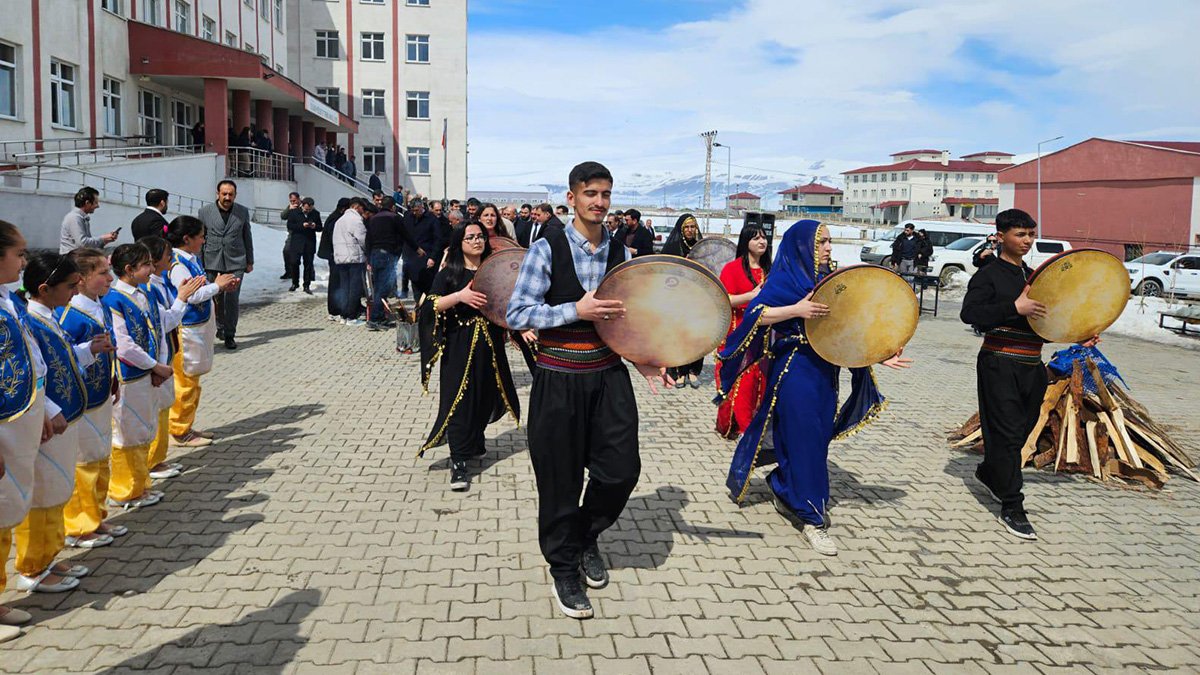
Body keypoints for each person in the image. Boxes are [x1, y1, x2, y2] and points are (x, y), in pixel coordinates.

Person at [506, 161, 672, 620]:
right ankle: (564, 566)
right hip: (558, 379)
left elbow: (630, 318)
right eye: (591, 193)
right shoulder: (546, 248)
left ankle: (582, 537)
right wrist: (574, 309)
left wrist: (644, 361)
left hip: (608, 377)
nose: (599, 202)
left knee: (620, 472)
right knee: (559, 481)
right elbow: (518, 314)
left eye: (605, 194)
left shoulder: (620, 252)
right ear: (572, 197)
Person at [717, 220, 911, 557]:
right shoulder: (786, 278)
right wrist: (796, 310)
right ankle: (812, 518)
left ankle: (783, 486)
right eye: (821, 242)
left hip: (826, 372)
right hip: (794, 371)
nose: (828, 248)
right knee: (806, 437)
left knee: (814, 439)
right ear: (802, 246)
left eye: (830, 242)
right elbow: (755, 316)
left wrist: (878, 355)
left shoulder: (830, 282)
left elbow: (848, 327)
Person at [960, 208, 1098, 541]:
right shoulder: (989, 274)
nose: (1027, 240)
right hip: (999, 361)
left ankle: (991, 474)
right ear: (1001, 236)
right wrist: (1014, 308)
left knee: (1020, 433)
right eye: (1020, 234)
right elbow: (970, 314)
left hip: (1032, 366)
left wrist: (1078, 335)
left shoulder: (1035, 277)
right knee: (1006, 433)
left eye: (1031, 234)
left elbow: (1047, 324)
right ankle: (1012, 505)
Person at [16, 252, 111, 593]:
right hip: (49, 421)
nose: (75, 292)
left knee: (57, 488)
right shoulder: (31, 320)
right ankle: (32, 566)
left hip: (63, 418)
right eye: (70, 286)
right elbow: (34, 376)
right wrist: (48, 410)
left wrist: (89, 350)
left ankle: (48, 555)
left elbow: (62, 360)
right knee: (43, 493)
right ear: (45, 288)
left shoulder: (48, 316)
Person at [418, 223, 520, 491]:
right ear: (459, 242)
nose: (477, 241)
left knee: (484, 397)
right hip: (459, 345)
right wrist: (460, 296)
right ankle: (459, 462)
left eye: (480, 237)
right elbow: (430, 305)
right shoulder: (450, 271)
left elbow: (508, 302)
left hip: (490, 345)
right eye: (470, 237)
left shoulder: (493, 269)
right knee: (460, 400)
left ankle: (474, 443)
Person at [58, 248, 128, 549]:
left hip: (100, 394)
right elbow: (61, 360)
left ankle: (97, 515)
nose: (109, 277)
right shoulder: (70, 315)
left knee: (100, 456)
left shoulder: (98, 305)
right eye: (102, 272)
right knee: (83, 461)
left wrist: (112, 376)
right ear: (81, 279)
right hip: (80, 400)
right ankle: (77, 524)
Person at [0, 223, 48, 635]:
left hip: (17, 423)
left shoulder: (7, 301)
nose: (24, 261)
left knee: (5, 514)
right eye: (19, 253)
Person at [103, 243, 170, 511]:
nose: (151, 270)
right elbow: (125, 345)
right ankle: (123, 489)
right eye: (146, 265)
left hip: (148, 373)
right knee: (127, 432)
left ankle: (140, 485)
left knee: (144, 428)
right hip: (129, 376)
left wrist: (159, 366)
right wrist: (155, 365)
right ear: (129, 270)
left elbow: (157, 332)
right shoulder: (114, 299)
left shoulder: (143, 294)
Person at [165, 216, 238, 448]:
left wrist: (217, 285)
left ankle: (185, 424)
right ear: (187, 239)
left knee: (193, 380)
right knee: (185, 380)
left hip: (198, 327)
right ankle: (178, 430)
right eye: (200, 236)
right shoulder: (177, 264)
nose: (204, 240)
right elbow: (189, 295)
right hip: (186, 330)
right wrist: (217, 286)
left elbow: (199, 288)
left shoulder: (190, 259)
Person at [139, 236, 206, 481]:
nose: (172, 259)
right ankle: (149, 463)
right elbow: (165, 320)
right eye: (167, 256)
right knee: (153, 412)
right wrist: (182, 297)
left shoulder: (155, 284)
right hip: (154, 360)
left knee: (163, 407)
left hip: (165, 353)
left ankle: (157, 458)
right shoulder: (148, 290)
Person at [715, 225, 771, 439]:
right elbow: (725, 299)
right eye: (756, 238)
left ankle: (753, 424)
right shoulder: (732, 268)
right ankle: (735, 424)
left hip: (764, 333)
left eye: (764, 237)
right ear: (745, 242)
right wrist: (751, 296)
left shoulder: (771, 270)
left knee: (758, 378)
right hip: (738, 332)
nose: (761, 242)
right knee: (740, 377)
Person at [198, 180, 253, 350]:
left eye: (231, 194)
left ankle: (230, 334)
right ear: (218, 194)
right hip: (212, 260)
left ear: (235, 195)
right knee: (216, 297)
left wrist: (249, 260)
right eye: (224, 194)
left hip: (236, 260)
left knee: (232, 299)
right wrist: (199, 263)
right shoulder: (205, 212)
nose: (227, 197)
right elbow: (201, 238)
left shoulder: (242, 212)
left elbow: (247, 236)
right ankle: (220, 327)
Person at [661, 214, 706, 387]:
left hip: (697, 298)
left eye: (693, 227)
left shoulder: (702, 247)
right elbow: (664, 272)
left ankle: (693, 371)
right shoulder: (672, 247)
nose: (690, 230)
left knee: (696, 335)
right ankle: (678, 372)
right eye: (686, 227)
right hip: (677, 297)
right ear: (681, 229)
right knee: (678, 335)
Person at [365, 196, 412, 330]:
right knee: (383, 288)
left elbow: (368, 240)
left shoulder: (373, 219)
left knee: (378, 286)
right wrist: (416, 249)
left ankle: (379, 317)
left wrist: (369, 257)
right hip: (387, 255)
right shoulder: (394, 217)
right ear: (393, 206)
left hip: (375, 255)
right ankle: (375, 319)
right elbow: (405, 235)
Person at [332, 198, 369, 326]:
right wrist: (367, 252)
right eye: (362, 209)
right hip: (354, 258)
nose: (362, 212)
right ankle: (351, 316)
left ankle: (343, 315)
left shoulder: (340, 220)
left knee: (344, 287)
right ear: (357, 206)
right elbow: (363, 239)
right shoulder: (356, 220)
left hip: (341, 258)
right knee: (354, 288)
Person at [403, 198, 444, 300]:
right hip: (411, 257)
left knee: (427, 288)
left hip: (426, 257)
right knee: (415, 286)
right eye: (413, 210)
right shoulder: (408, 217)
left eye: (417, 210)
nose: (414, 212)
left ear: (422, 207)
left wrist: (433, 257)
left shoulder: (431, 219)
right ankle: (418, 308)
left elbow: (437, 240)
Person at [59, 187, 119, 253]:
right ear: (87, 203)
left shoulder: (81, 217)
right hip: (71, 260)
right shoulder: (74, 218)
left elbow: (88, 245)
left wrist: (106, 240)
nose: (98, 206)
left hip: (78, 257)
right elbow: (83, 244)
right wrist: (103, 238)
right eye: (96, 202)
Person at [319, 198, 349, 322]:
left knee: (337, 282)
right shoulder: (335, 219)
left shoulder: (335, 217)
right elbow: (333, 238)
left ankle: (338, 308)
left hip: (335, 254)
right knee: (335, 283)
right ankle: (334, 310)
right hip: (334, 255)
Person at [286, 197, 322, 294]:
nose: (308, 211)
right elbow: (290, 226)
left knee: (308, 264)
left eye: (310, 209)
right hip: (297, 242)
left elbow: (320, 227)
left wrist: (314, 226)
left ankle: (306, 285)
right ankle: (295, 282)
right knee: (294, 262)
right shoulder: (294, 213)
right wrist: (302, 225)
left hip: (309, 242)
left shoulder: (315, 214)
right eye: (306, 209)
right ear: (302, 205)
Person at [279, 192, 302, 280]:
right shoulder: (290, 207)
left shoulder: (304, 205)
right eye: (291, 201)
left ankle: (310, 274)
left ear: (298, 199)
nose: (293, 202)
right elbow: (283, 216)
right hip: (292, 234)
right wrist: (289, 208)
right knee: (286, 251)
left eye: (294, 200)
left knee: (306, 254)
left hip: (303, 234)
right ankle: (288, 271)